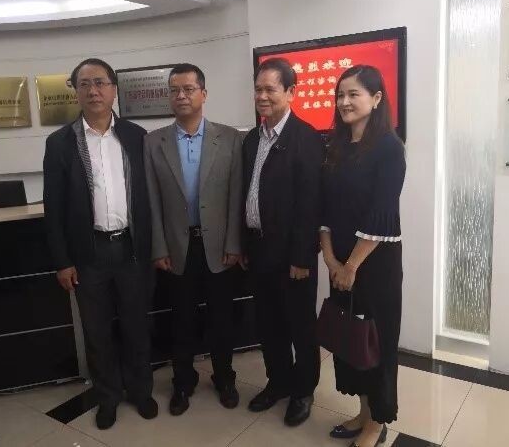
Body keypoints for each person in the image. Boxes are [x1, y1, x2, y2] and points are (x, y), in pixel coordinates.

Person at [43, 58, 157, 430]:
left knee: (137, 326)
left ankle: (141, 391)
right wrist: (62, 261)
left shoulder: (136, 136)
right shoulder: (60, 143)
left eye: (100, 83)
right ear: (76, 91)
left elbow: (150, 197)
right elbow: (53, 207)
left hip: (132, 250)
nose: (93, 91)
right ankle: (107, 398)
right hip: (88, 254)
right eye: (85, 84)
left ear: (113, 89)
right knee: (97, 332)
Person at [144, 63, 243, 415]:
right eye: (174, 90)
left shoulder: (229, 138)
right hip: (176, 248)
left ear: (203, 93)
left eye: (188, 89)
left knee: (221, 320)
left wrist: (234, 244)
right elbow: (152, 200)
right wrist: (158, 247)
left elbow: (236, 195)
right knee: (181, 321)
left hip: (218, 248)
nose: (181, 96)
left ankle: (224, 378)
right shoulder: (153, 141)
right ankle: (182, 382)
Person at [320, 65, 405, 447]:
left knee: (376, 342)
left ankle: (377, 422)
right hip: (340, 262)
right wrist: (331, 260)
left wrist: (351, 265)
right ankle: (363, 412)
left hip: (374, 265)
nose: (344, 102)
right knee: (351, 339)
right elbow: (324, 208)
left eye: (353, 94)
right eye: (340, 95)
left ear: (376, 98)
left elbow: (381, 214)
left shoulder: (389, 147)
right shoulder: (335, 147)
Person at [242, 57, 322, 426]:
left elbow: (311, 204)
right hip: (259, 250)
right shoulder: (251, 139)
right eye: (258, 89)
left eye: (270, 89)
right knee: (268, 324)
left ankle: (303, 391)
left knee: (300, 327)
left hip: (293, 255)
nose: (262, 96)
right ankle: (278, 382)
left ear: (290, 92)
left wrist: (302, 257)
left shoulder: (307, 138)